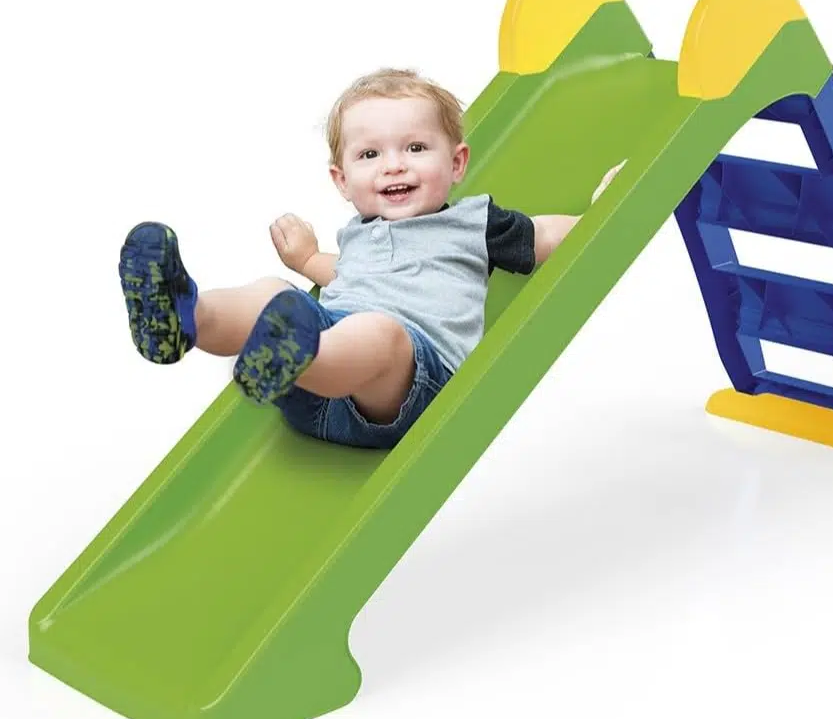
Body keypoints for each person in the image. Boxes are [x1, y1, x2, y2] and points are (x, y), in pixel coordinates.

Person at [119, 67, 626, 450]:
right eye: (370, 155)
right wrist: (308, 259)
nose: (394, 165)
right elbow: (346, 277)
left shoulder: (475, 223)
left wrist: (604, 209)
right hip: (315, 379)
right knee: (271, 292)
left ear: (456, 163)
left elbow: (544, 236)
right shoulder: (359, 234)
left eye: (416, 147)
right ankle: (186, 318)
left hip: (411, 387)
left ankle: (298, 352)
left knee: (381, 332)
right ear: (342, 181)